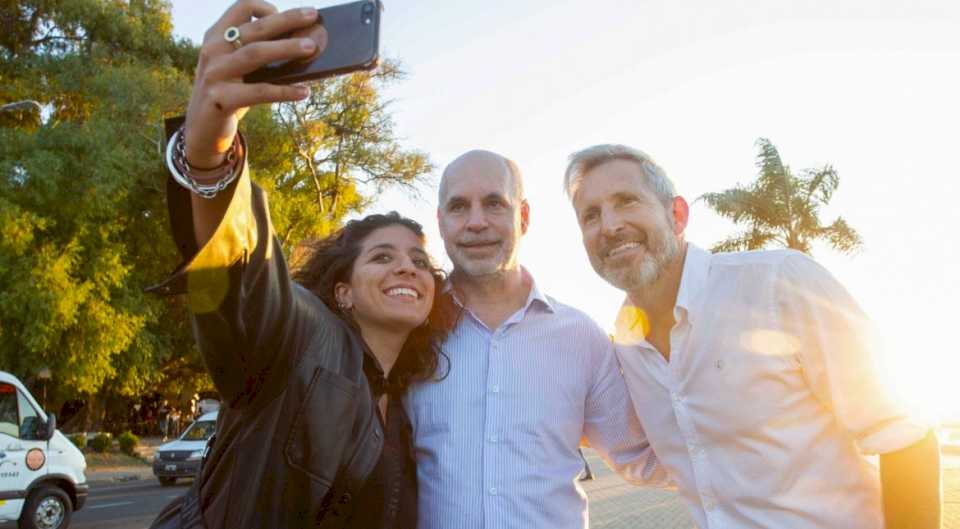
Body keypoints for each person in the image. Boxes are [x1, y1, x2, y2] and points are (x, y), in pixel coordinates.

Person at [146, 2, 451, 527]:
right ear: (342, 293)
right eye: (383, 256)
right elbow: (238, 272)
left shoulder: (407, 406)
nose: (408, 268)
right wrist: (209, 153)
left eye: (419, 260)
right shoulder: (300, 341)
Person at [564, 143, 942, 529]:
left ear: (677, 215)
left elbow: (904, 435)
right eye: (590, 216)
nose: (609, 226)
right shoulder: (627, 347)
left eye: (627, 201)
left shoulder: (779, 283)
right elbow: (670, 460)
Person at [404, 150, 666, 529]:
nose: (476, 222)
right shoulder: (409, 331)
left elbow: (641, 456)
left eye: (494, 204)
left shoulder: (580, 336)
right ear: (441, 222)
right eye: (459, 207)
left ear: (523, 217)